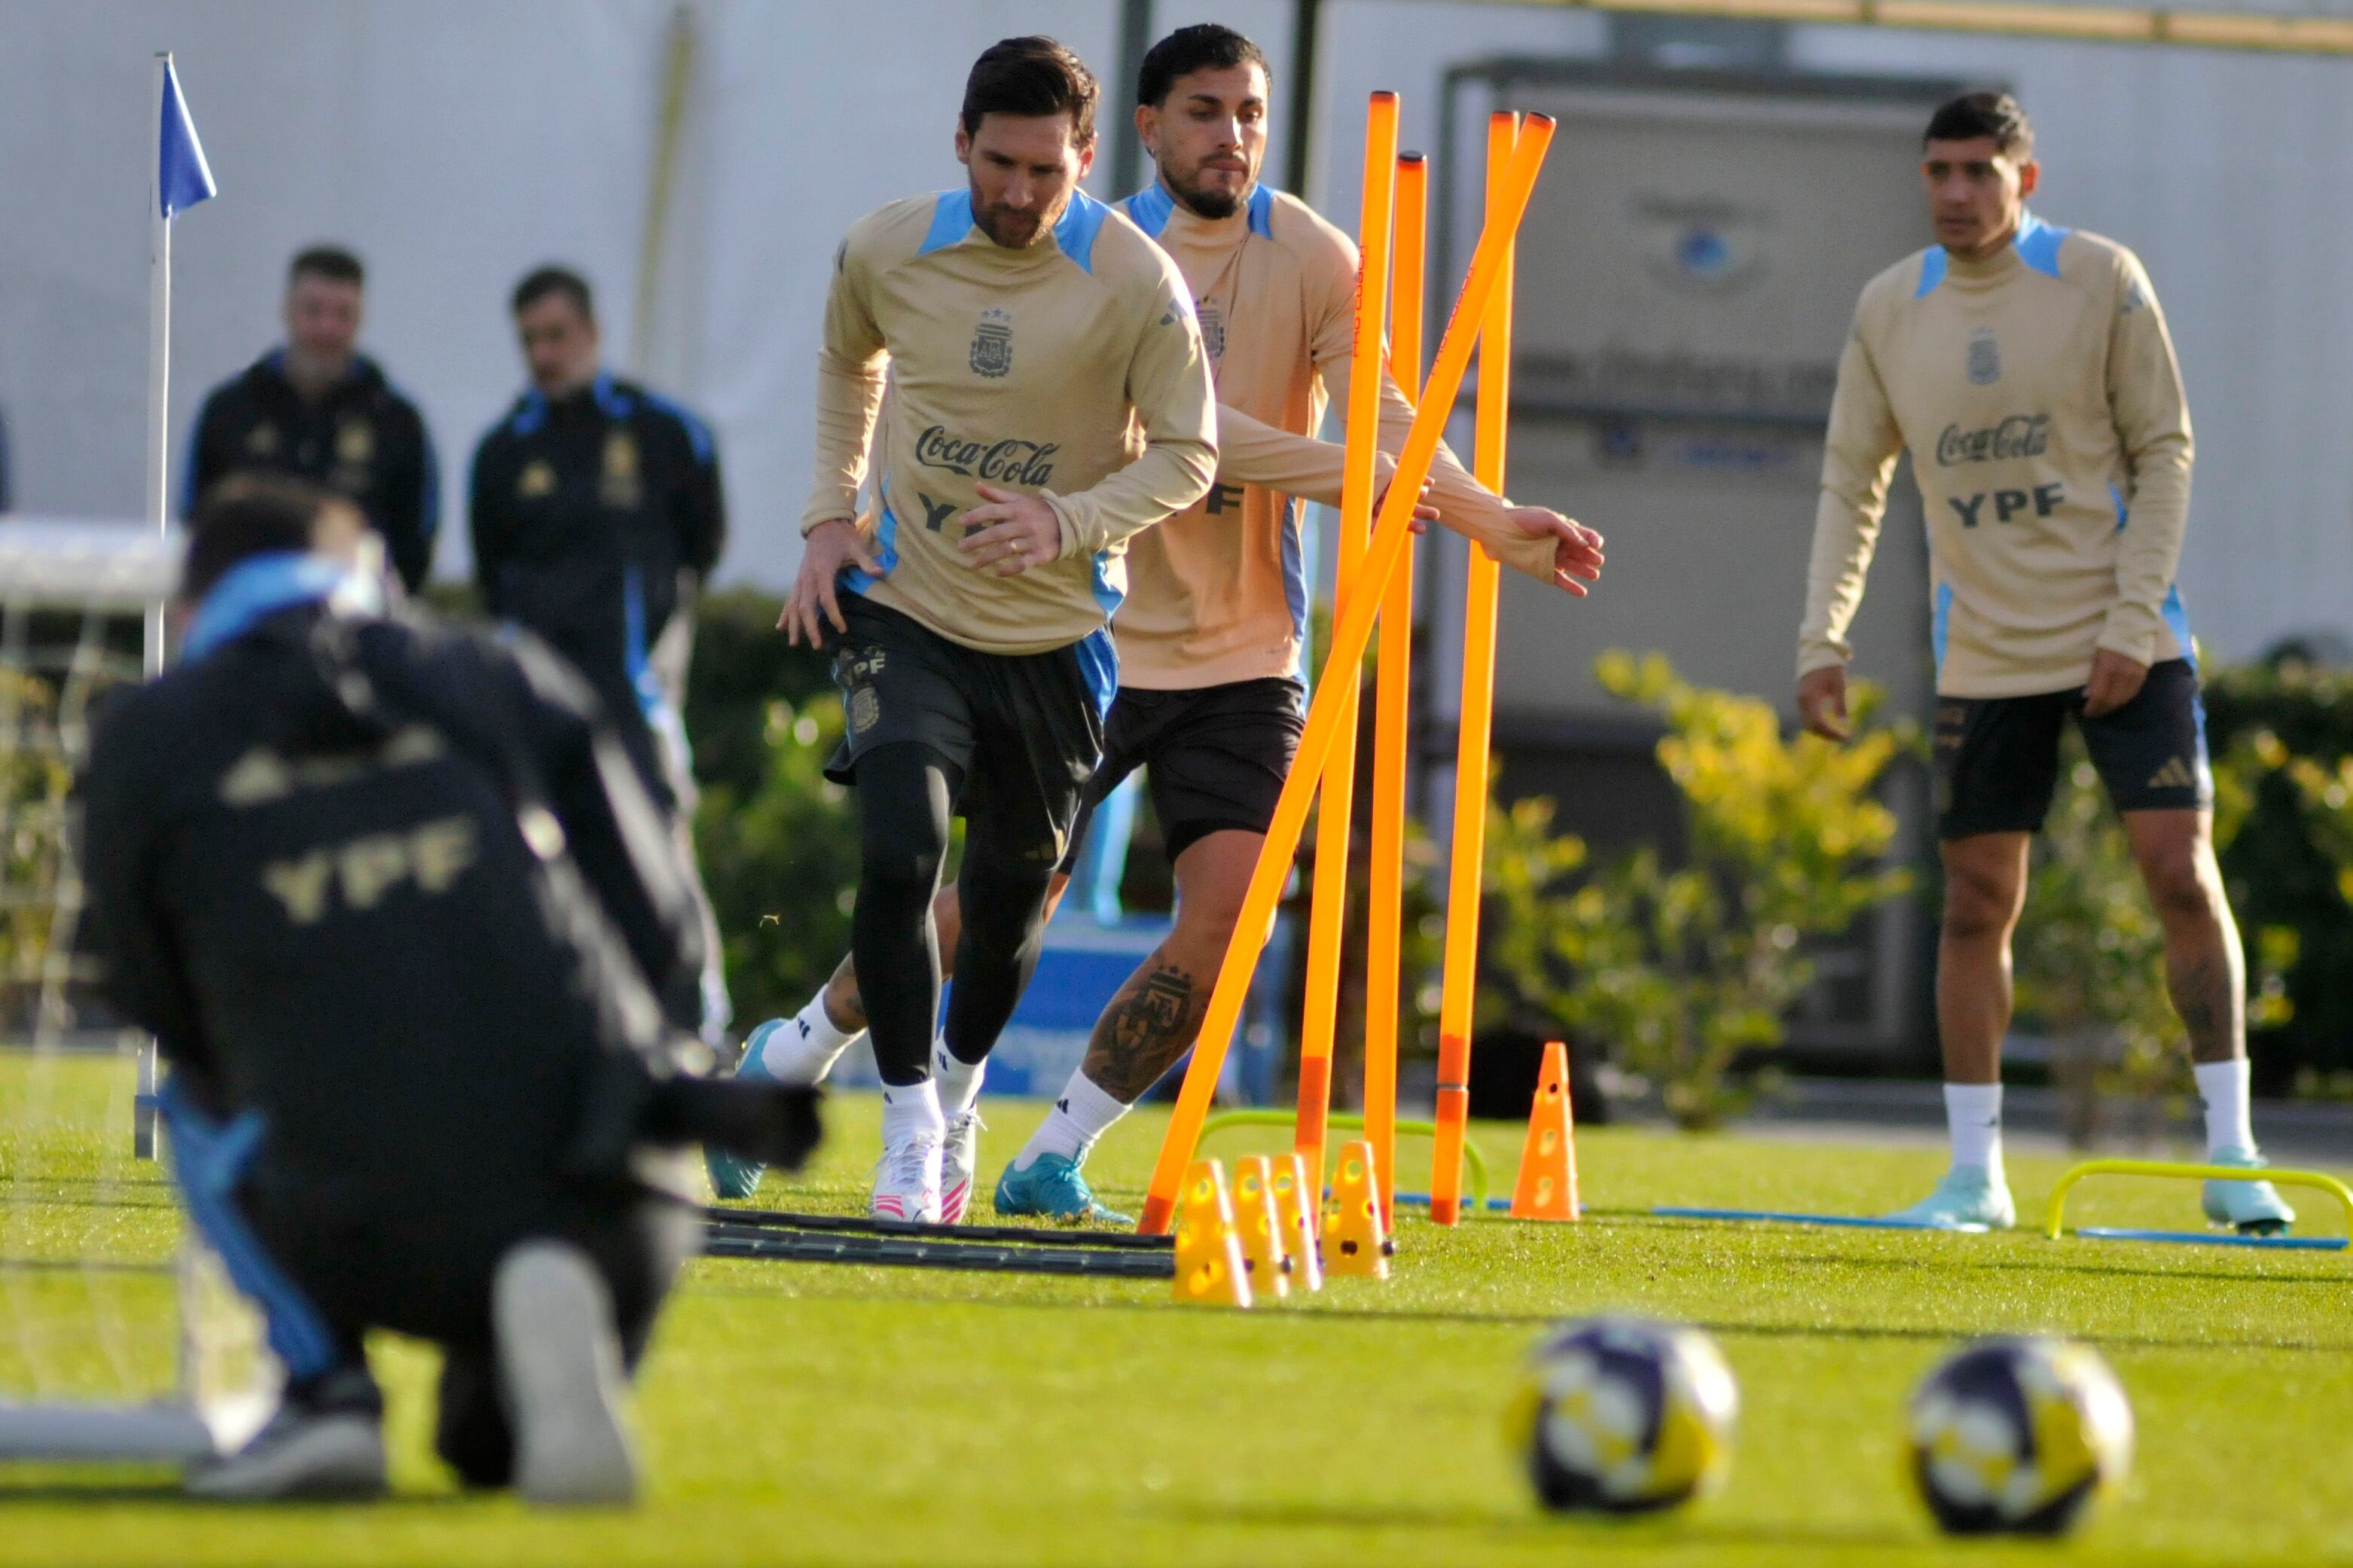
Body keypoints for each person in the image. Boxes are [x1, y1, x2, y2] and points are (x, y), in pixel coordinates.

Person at [711, 23, 1605, 1223]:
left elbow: (1394, 411)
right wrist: (1361, 478)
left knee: (1231, 919)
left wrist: (1487, 514)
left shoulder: (1313, 253)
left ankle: (1058, 1151)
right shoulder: (1098, 247)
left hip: (1246, 650)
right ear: (1141, 128)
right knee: (986, 904)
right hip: (1093, 635)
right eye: (1201, 110)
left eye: (1248, 111)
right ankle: (799, 1053)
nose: (1228, 135)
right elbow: (1207, 439)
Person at [83, 478, 816, 1502]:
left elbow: (148, 994)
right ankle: (548, 1291)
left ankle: (327, 1390)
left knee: (191, 1096)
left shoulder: (149, 736)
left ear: (189, 608)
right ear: (372, 578)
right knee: (484, 1449)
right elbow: (661, 920)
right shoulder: (491, 668)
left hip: (369, 1215)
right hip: (619, 1182)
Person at [1795, 91, 2291, 1234]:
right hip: (1983, 651)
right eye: (1939, 172)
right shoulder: (1889, 307)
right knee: (1975, 904)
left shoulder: (2102, 279)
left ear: (2029, 177)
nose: (1958, 193)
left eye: (1980, 170)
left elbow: (2167, 450)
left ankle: (2234, 1154)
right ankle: (1976, 1177)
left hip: (2131, 639)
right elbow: (1849, 481)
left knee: (2178, 873)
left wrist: (2126, 623)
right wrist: (1822, 639)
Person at [758, 35, 1218, 1223]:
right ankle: (907, 1126)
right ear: (961, 143)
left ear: (1086, 157)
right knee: (902, 852)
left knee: (1014, 895)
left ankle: (958, 1100)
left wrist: (1067, 518)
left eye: (1046, 173)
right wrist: (825, 519)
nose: (1019, 193)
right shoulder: (886, 247)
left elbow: (1193, 452)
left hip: (1058, 638)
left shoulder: (1134, 278)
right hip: (905, 605)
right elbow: (844, 364)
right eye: (999, 163)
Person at [468, 265, 731, 1041]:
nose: (543, 354)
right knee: (535, 853)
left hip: (637, 692)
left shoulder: (665, 434)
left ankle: (698, 1018)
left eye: (555, 335)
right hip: (535, 699)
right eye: (529, 341)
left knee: (661, 845)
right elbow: (492, 575)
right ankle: (549, 1020)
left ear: (591, 331)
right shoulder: (503, 452)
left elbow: (702, 546)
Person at [185, 246, 439, 593]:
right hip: (248, 618)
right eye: (313, 311)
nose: (327, 328)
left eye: (343, 313)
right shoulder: (231, 411)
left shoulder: (396, 421)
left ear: (361, 317)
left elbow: (414, 543)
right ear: (287, 310)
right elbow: (197, 520)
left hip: (355, 622)